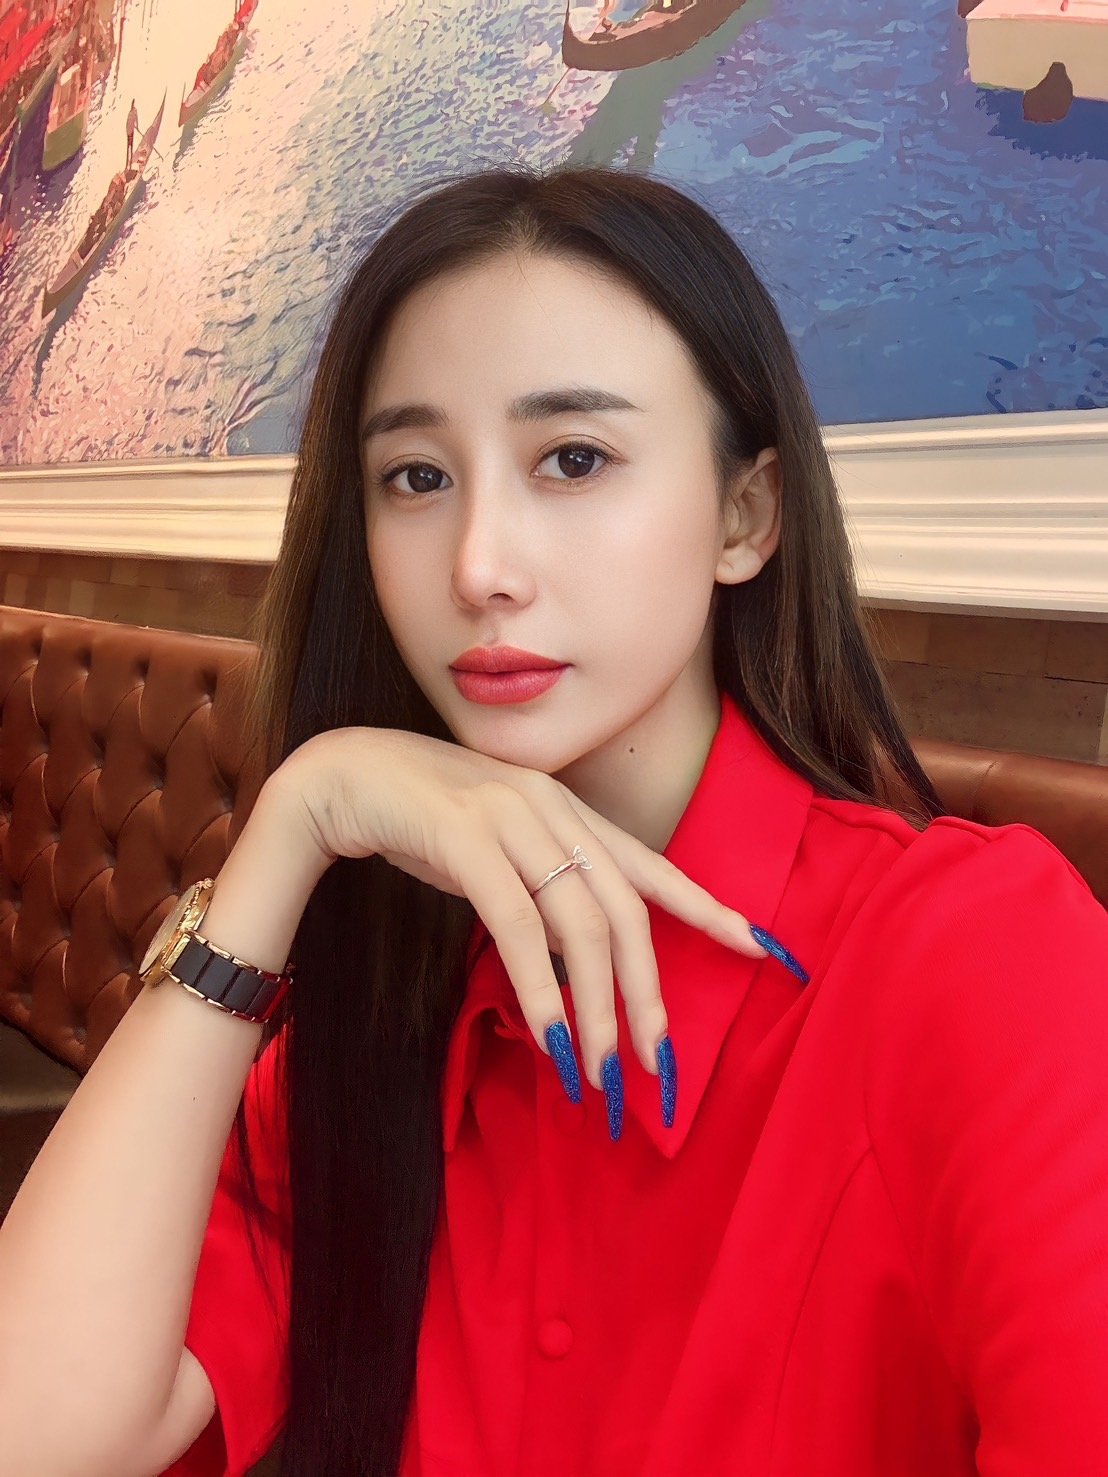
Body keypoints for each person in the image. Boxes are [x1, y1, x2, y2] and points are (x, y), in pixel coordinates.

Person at [0, 163, 1106, 1475]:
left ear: (745, 514)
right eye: (416, 476)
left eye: (573, 459)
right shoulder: (385, 1003)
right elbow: (39, 1432)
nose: (479, 566)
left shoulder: (972, 959)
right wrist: (294, 818)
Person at [126, 97, 138, 169]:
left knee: (130, 145)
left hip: (130, 130)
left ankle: (129, 163)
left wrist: (136, 126)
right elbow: (133, 120)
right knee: (129, 145)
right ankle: (128, 163)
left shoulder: (132, 112)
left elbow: (134, 119)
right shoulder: (132, 112)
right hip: (129, 130)